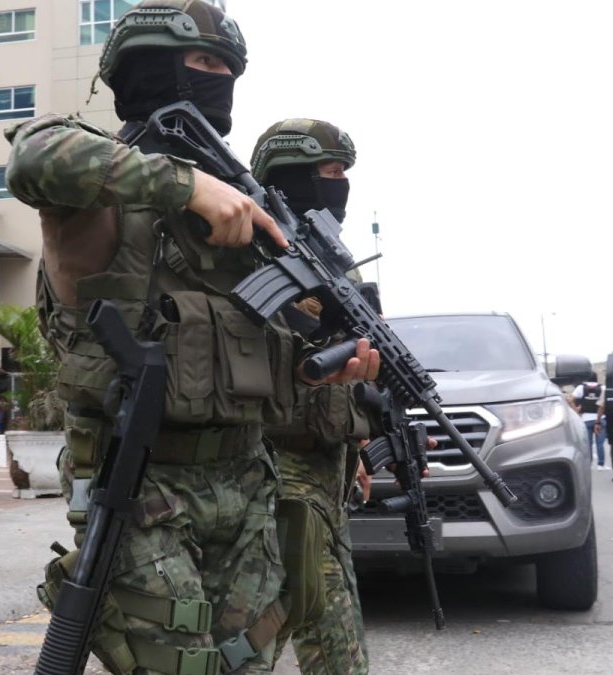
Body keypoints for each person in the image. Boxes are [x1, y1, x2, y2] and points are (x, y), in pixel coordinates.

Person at [4, 2, 379, 672]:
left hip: (246, 482)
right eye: (203, 63)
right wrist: (186, 184)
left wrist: (324, 368)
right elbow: (34, 156)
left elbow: (249, 355)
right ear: (146, 67)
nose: (219, 79)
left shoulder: (246, 215)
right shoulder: (101, 186)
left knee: (244, 662)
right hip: (141, 480)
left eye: (229, 68)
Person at [251, 118, 369, 673]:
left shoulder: (329, 254)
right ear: (290, 173)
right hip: (277, 464)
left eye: (344, 173)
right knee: (275, 624)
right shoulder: (254, 245)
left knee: (332, 622)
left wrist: (357, 444)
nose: (339, 184)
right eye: (328, 172)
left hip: (328, 466)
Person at [569, 379, 607, 470]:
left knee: (588, 444)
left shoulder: (581, 387)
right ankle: (600, 465)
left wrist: (576, 411)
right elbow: (604, 404)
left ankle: (588, 464)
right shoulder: (603, 387)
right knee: (600, 443)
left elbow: (570, 400)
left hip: (585, 419)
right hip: (600, 418)